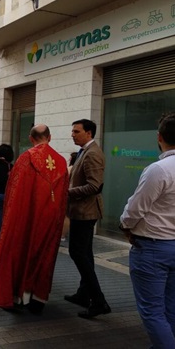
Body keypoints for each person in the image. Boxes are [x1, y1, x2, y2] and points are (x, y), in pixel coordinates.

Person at [0, 124, 68, 314]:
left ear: (31, 139)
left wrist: (10, 219)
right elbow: (63, 196)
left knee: (22, 253)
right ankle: (38, 299)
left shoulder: (26, 158)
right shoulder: (61, 161)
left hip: (28, 217)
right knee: (45, 255)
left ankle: (19, 298)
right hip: (51, 218)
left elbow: (14, 193)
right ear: (50, 137)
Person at [119, 112, 175, 349]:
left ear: (159, 137)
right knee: (171, 307)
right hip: (174, 245)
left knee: (152, 312)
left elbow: (135, 210)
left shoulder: (159, 169)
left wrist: (124, 225)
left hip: (152, 248)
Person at [65, 118, 110, 319]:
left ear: (89, 133)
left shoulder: (93, 154)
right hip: (80, 211)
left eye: (76, 131)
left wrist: (67, 193)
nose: (72, 134)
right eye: (73, 131)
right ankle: (84, 294)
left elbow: (95, 186)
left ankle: (99, 301)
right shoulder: (84, 151)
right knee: (85, 254)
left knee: (78, 253)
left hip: (86, 212)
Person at [61, 151, 78, 241]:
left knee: (66, 215)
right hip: (76, 194)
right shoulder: (78, 169)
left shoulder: (69, 169)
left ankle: (63, 235)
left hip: (68, 193)